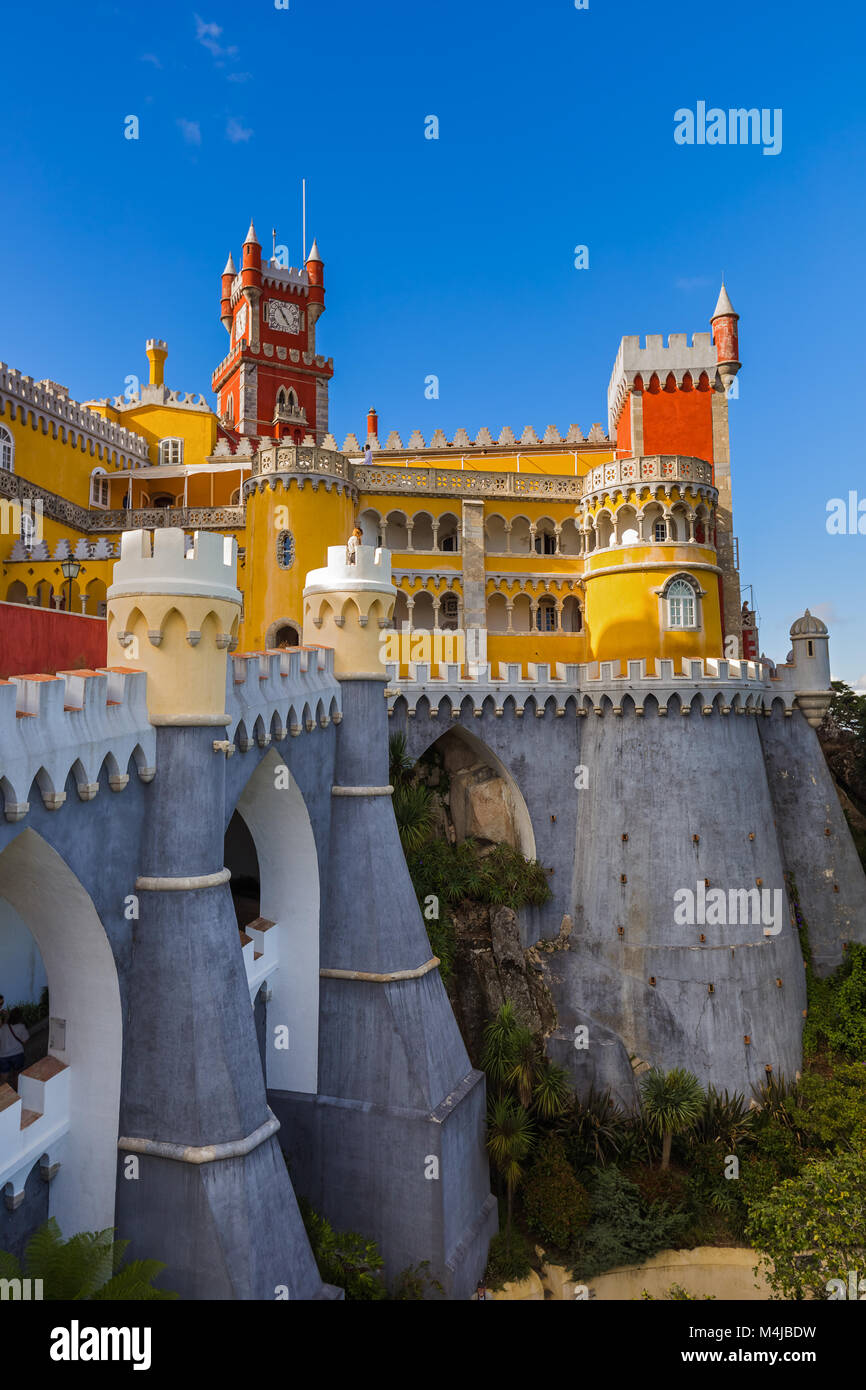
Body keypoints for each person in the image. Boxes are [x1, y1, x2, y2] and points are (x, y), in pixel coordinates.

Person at [0, 1008, 29, 1090]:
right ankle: (17, 1092)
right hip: (17, 1054)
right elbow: (25, 1041)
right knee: (17, 1075)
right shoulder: (21, 1026)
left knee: (3, 1078)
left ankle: (2, 1094)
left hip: (3, 1056)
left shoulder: (2, 1027)